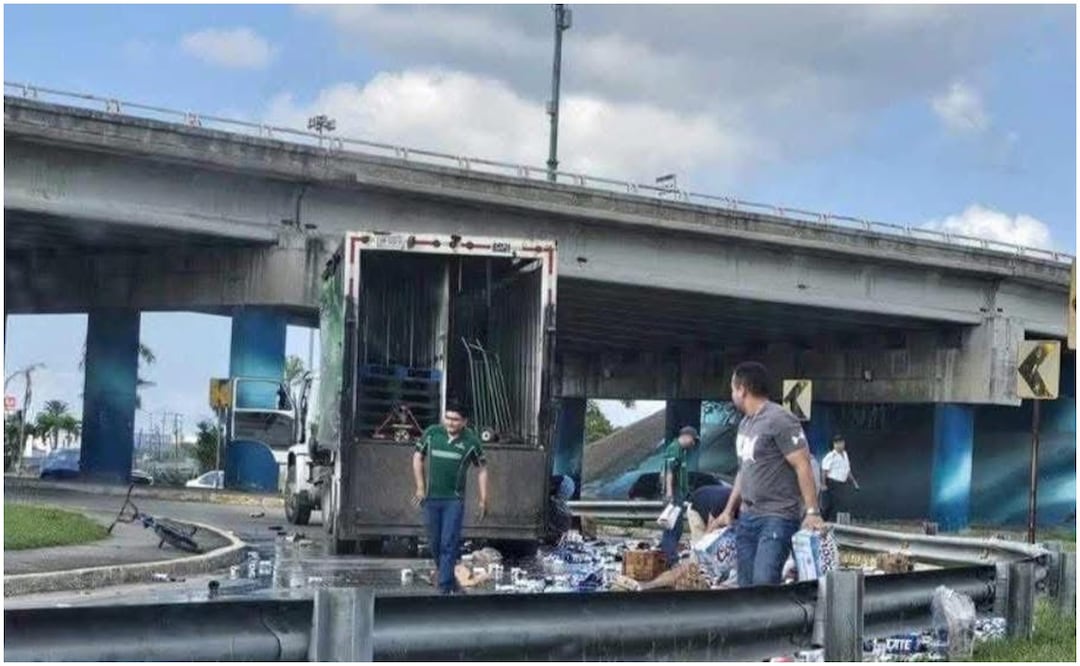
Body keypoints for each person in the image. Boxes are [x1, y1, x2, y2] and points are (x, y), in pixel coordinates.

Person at [712, 362, 824, 587]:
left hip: (777, 516)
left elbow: (803, 464)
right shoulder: (745, 424)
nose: (732, 394)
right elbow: (744, 470)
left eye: (733, 388)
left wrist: (812, 511)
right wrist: (728, 511)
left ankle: (775, 622)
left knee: (763, 584)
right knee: (745, 585)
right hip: (747, 517)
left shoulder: (780, 419)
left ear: (742, 389)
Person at [411, 402, 489, 595]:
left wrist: (483, 499)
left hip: (454, 501)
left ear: (464, 422)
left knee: (449, 542)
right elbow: (417, 458)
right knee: (434, 542)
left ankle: (444, 588)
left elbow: (482, 470)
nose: (450, 423)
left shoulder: (471, 441)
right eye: (448, 418)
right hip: (431, 498)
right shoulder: (432, 433)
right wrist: (420, 487)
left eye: (455, 419)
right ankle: (449, 579)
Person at [659, 425, 699, 567]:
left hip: (678, 492)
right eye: (693, 440)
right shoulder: (675, 448)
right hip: (673, 492)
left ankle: (666, 553)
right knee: (673, 526)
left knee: (676, 526)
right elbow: (669, 471)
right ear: (687, 436)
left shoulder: (681, 451)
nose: (693, 444)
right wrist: (669, 492)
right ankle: (669, 558)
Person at [821, 434, 859, 522]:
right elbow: (824, 470)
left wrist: (854, 482)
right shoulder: (830, 456)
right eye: (837, 443)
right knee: (830, 505)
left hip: (842, 482)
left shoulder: (845, 454)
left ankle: (841, 523)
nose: (839, 445)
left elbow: (847, 470)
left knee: (841, 504)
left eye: (841, 443)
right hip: (832, 482)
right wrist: (823, 484)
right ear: (834, 445)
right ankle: (824, 521)